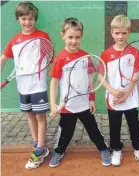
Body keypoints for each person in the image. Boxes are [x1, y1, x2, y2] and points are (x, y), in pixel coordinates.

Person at [49, 17, 111, 168]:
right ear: (62, 35)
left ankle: (103, 149)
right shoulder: (60, 59)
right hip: (68, 106)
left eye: (77, 37)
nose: (73, 41)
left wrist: (91, 99)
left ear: (81, 36)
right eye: (70, 37)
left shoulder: (86, 57)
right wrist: (53, 104)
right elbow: (54, 82)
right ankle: (58, 151)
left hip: (84, 104)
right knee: (65, 133)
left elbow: (90, 79)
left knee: (93, 130)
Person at [0, 1, 51, 169]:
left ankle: (40, 149)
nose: (27, 22)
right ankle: (37, 144)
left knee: (40, 116)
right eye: (24, 18)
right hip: (23, 86)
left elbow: (50, 55)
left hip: (38, 85)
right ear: (18, 19)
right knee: (29, 115)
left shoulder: (42, 36)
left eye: (30, 18)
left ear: (35, 19)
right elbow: (3, 58)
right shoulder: (14, 41)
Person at [101, 15, 139, 167]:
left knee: (134, 125)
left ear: (129, 32)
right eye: (117, 33)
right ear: (111, 33)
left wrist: (127, 93)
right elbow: (101, 76)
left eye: (124, 33)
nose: (120, 36)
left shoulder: (135, 52)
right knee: (114, 126)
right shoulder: (106, 54)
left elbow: (138, 73)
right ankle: (116, 149)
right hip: (113, 98)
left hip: (131, 97)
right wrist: (112, 91)